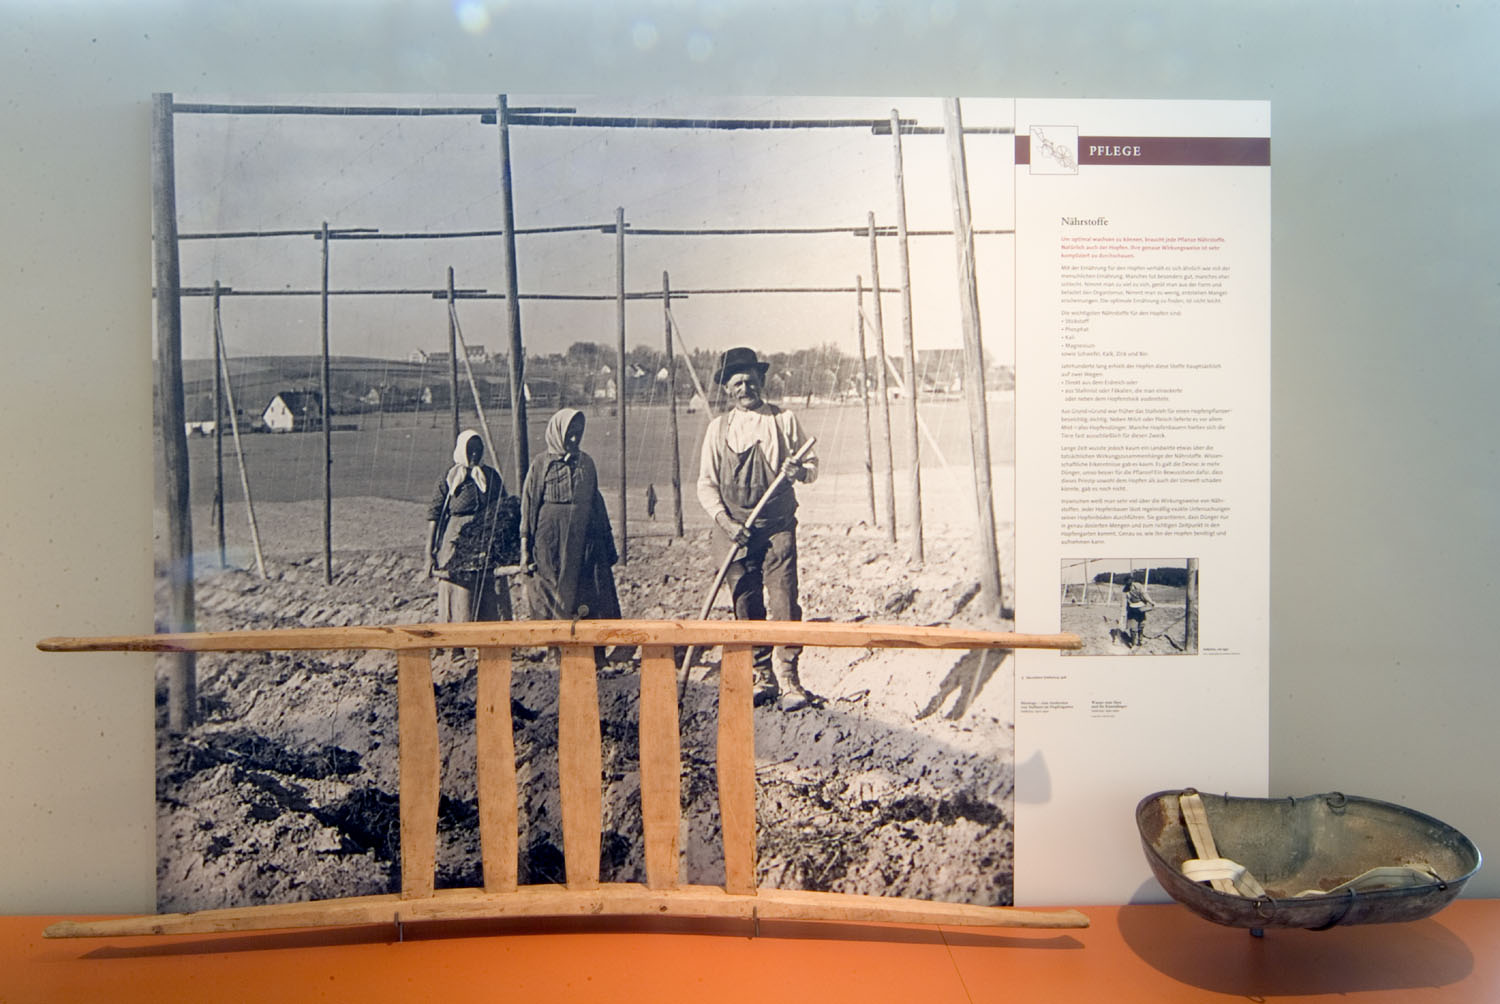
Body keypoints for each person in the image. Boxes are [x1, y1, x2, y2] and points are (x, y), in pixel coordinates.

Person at [696, 346, 819, 711]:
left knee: (783, 598)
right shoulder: (718, 429)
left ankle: (790, 678)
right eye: (737, 382)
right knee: (745, 602)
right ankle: (762, 676)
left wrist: (800, 472)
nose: (744, 387)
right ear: (727, 389)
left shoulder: (784, 420)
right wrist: (725, 522)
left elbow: (811, 465)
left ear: (761, 381)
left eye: (751, 380)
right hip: (734, 529)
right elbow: (706, 484)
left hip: (777, 525)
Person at [520, 408, 622, 627]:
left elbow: (597, 504)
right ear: (557, 433)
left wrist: (608, 543)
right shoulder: (540, 464)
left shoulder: (586, 463)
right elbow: (529, 507)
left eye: (579, 432)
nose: (575, 439)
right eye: (569, 434)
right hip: (550, 541)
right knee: (554, 593)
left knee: (589, 590)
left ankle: (593, 651)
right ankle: (558, 651)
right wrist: (525, 550)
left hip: (585, 538)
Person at [426, 429, 514, 633]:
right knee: (458, 587)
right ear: (462, 450)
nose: (474, 454)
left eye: (478, 449)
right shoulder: (449, 478)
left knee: (491, 586)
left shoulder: (490, 476)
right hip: (456, 539)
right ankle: (457, 643)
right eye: (470, 450)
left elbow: (504, 508)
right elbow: (434, 516)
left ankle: (493, 639)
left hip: (485, 537)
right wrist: (428, 553)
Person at [1121, 575, 1155, 649]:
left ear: (1132, 582)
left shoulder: (1138, 586)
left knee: (1141, 625)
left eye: (1130, 584)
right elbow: (1124, 601)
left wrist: (1151, 602)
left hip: (1141, 607)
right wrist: (1123, 611)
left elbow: (1144, 594)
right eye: (1127, 584)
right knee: (1133, 628)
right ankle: (1133, 643)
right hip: (1131, 609)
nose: (1129, 586)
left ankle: (1140, 640)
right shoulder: (1125, 590)